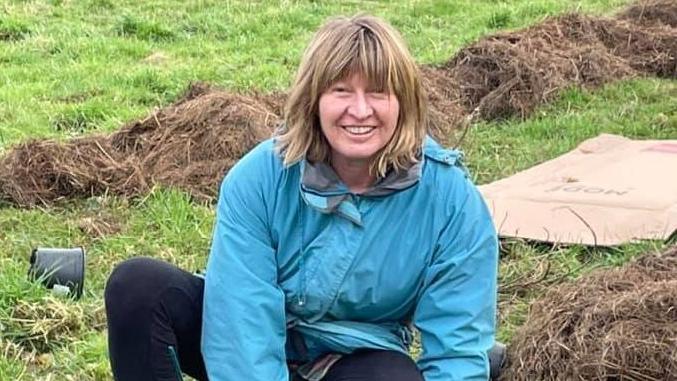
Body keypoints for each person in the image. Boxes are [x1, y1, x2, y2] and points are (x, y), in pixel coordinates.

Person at [105, 14, 498, 381]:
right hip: (253, 343)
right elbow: (243, 322)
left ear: (404, 102)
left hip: (355, 360)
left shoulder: (451, 202)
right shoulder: (259, 179)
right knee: (139, 287)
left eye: (378, 92)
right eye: (341, 90)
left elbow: (456, 351)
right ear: (314, 100)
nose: (359, 110)